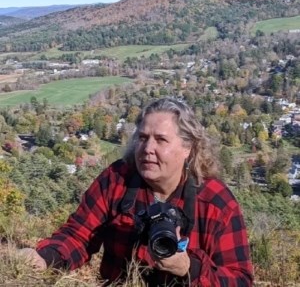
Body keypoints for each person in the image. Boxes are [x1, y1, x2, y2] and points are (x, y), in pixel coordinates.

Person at [20, 97, 253, 286]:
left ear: (187, 148)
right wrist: (45, 258)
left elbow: (240, 280)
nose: (147, 149)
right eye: (142, 138)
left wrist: (189, 268)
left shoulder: (214, 202)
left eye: (161, 140)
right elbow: (79, 235)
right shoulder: (118, 180)